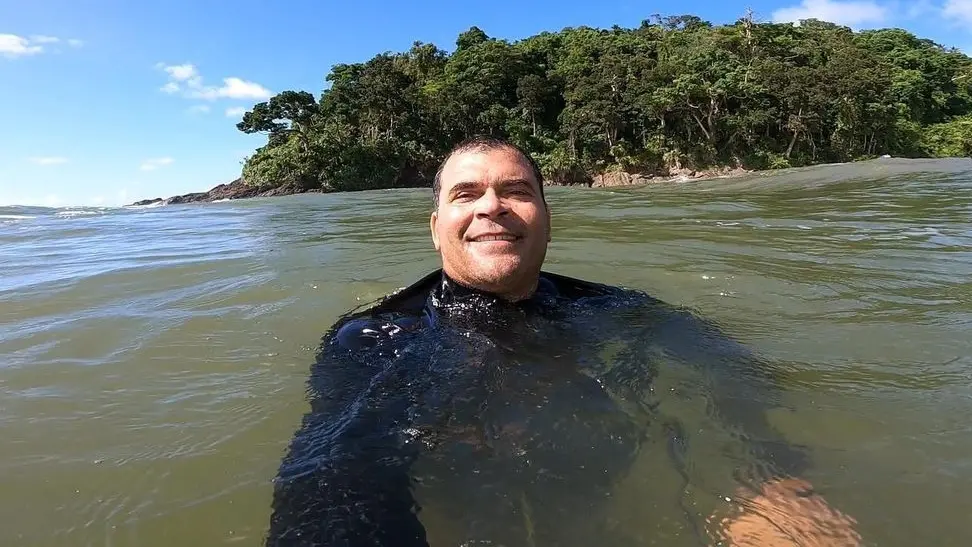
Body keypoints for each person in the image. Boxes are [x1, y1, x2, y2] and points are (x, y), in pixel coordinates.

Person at [265, 137, 862, 546]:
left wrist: (769, 482)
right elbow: (336, 469)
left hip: (600, 505)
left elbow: (729, 376)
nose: (493, 207)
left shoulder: (615, 309)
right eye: (466, 194)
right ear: (435, 227)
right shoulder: (375, 335)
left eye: (517, 191)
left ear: (546, 215)